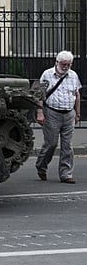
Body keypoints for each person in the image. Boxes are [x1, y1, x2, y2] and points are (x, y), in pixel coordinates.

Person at [35, 50, 82, 184]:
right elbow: (40, 94)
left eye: (69, 64)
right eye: (64, 64)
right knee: (51, 144)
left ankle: (66, 174)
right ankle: (41, 166)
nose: (66, 67)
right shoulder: (47, 74)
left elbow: (77, 95)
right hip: (51, 113)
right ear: (57, 62)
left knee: (67, 146)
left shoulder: (73, 75)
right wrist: (40, 112)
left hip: (68, 113)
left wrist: (77, 113)